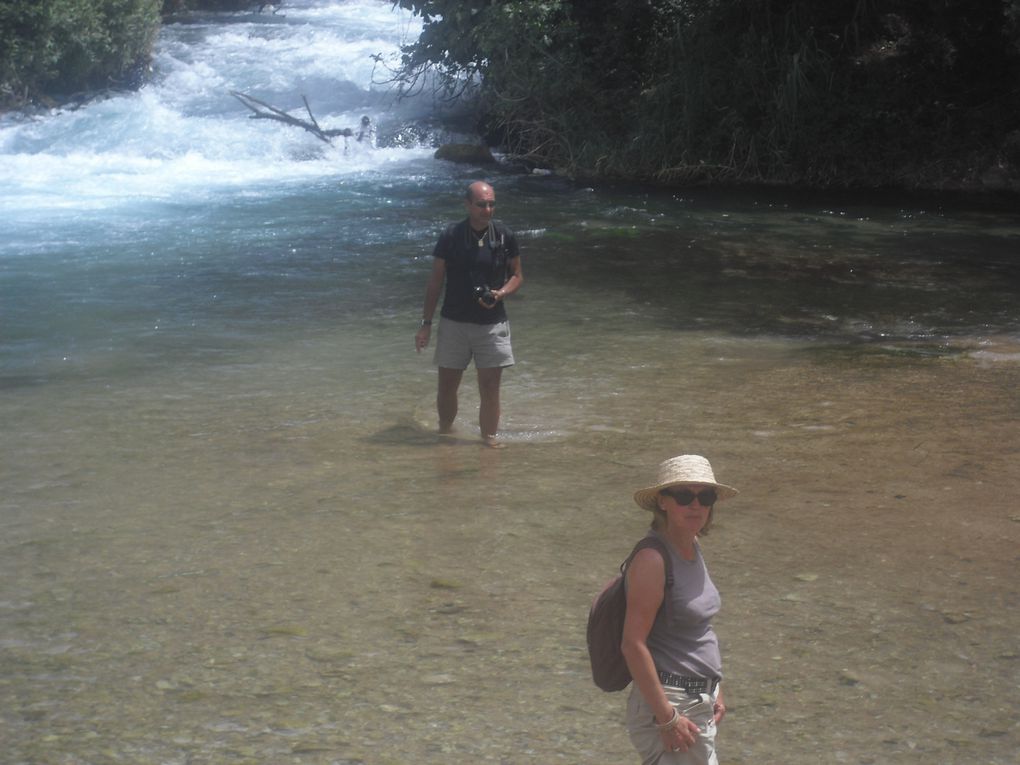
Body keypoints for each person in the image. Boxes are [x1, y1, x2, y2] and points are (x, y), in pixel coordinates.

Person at [622, 454, 739, 764]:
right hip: (673, 703)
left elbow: (699, 628)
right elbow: (632, 644)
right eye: (684, 495)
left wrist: (716, 687)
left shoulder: (691, 544)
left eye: (705, 496)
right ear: (663, 502)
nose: (696, 505)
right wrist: (667, 718)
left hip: (697, 699)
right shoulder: (652, 559)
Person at [414, 181, 523, 447]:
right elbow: (435, 282)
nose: (488, 209)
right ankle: (445, 433)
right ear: (467, 205)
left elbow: (518, 276)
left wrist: (501, 293)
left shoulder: (504, 236)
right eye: (481, 204)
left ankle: (489, 440)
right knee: (448, 386)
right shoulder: (451, 236)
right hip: (454, 322)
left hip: (492, 324)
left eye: (491, 204)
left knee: (489, 388)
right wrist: (426, 324)